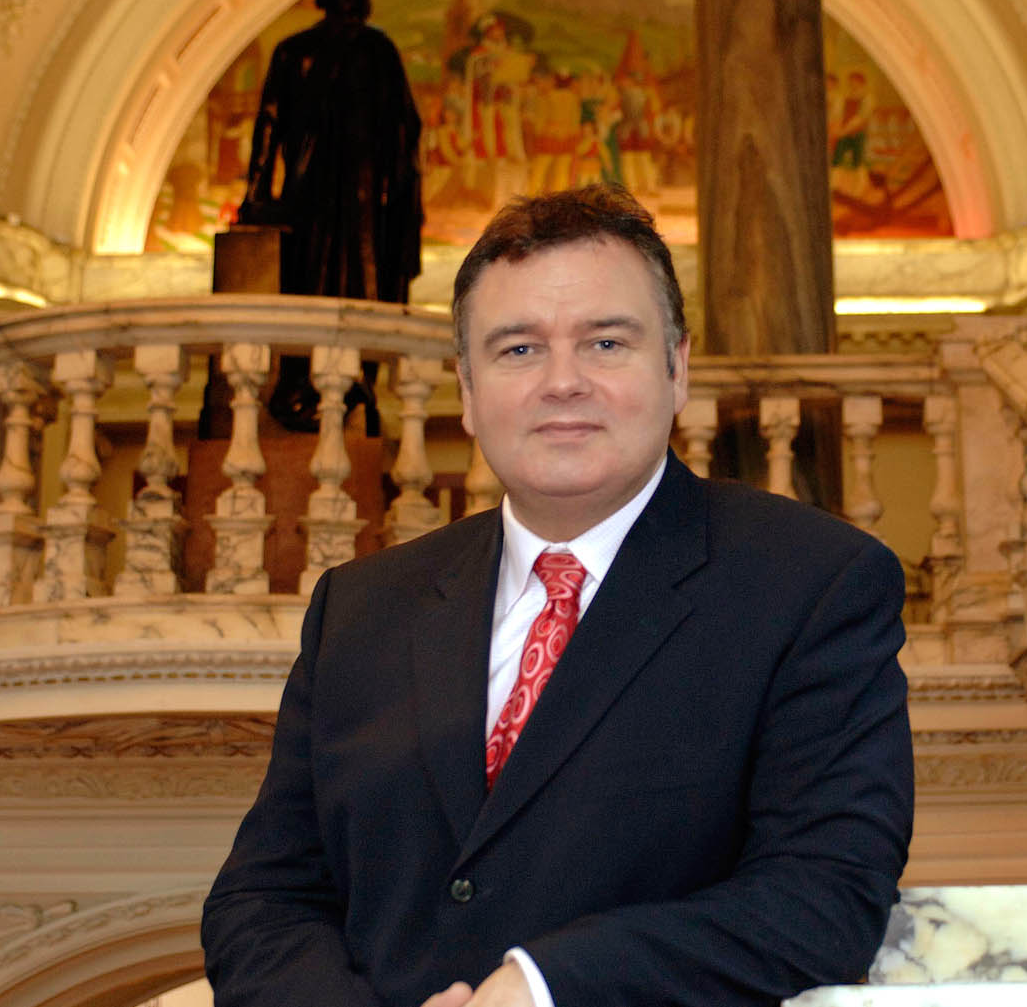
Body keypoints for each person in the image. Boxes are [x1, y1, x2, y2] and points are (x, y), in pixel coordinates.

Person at [202, 184, 913, 1007]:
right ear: (466, 393)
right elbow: (263, 900)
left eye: (606, 342)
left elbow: (825, 896)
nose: (563, 382)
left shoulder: (814, 585)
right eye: (518, 350)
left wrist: (545, 988)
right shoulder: (359, 610)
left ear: (677, 368)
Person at [238, 0, 422, 433]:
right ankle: (326, 383)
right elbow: (405, 131)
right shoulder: (361, 51)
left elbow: (268, 126)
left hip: (348, 201)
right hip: (344, 201)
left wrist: (257, 191)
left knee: (336, 285)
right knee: (328, 285)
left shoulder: (313, 50)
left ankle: (334, 382)